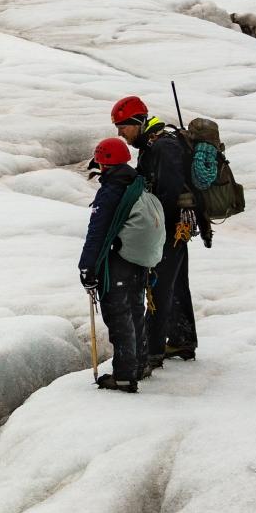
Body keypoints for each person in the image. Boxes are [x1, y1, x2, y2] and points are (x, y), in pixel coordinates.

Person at [111, 95, 199, 370]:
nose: (120, 134)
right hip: (174, 227)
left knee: (158, 287)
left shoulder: (162, 147)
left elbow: (169, 193)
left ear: (137, 122)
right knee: (175, 283)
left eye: (123, 127)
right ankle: (182, 340)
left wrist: (155, 228)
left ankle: (153, 351)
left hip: (170, 228)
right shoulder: (152, 145)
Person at [79, 136, 157, 391]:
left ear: (103, 163)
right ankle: (140, 365)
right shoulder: (136, 182)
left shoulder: (112, 190)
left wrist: (87, 267)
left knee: (119, 316)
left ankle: (124, 376)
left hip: (119, 261)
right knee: (135, 311)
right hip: (139, 261)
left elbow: (97, 232)